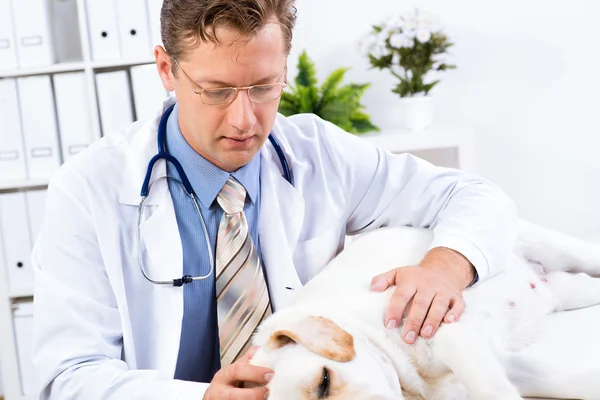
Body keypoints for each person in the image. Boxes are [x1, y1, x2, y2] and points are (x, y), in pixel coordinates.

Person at [31, 0, 518, 399]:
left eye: (264, 87)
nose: (245, 120)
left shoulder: (317, 152)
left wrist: (445, 266)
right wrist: (198, 398)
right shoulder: (88, 188)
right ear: (166, 69)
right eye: (217, 92)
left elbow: (471, 194)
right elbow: (67, 375)